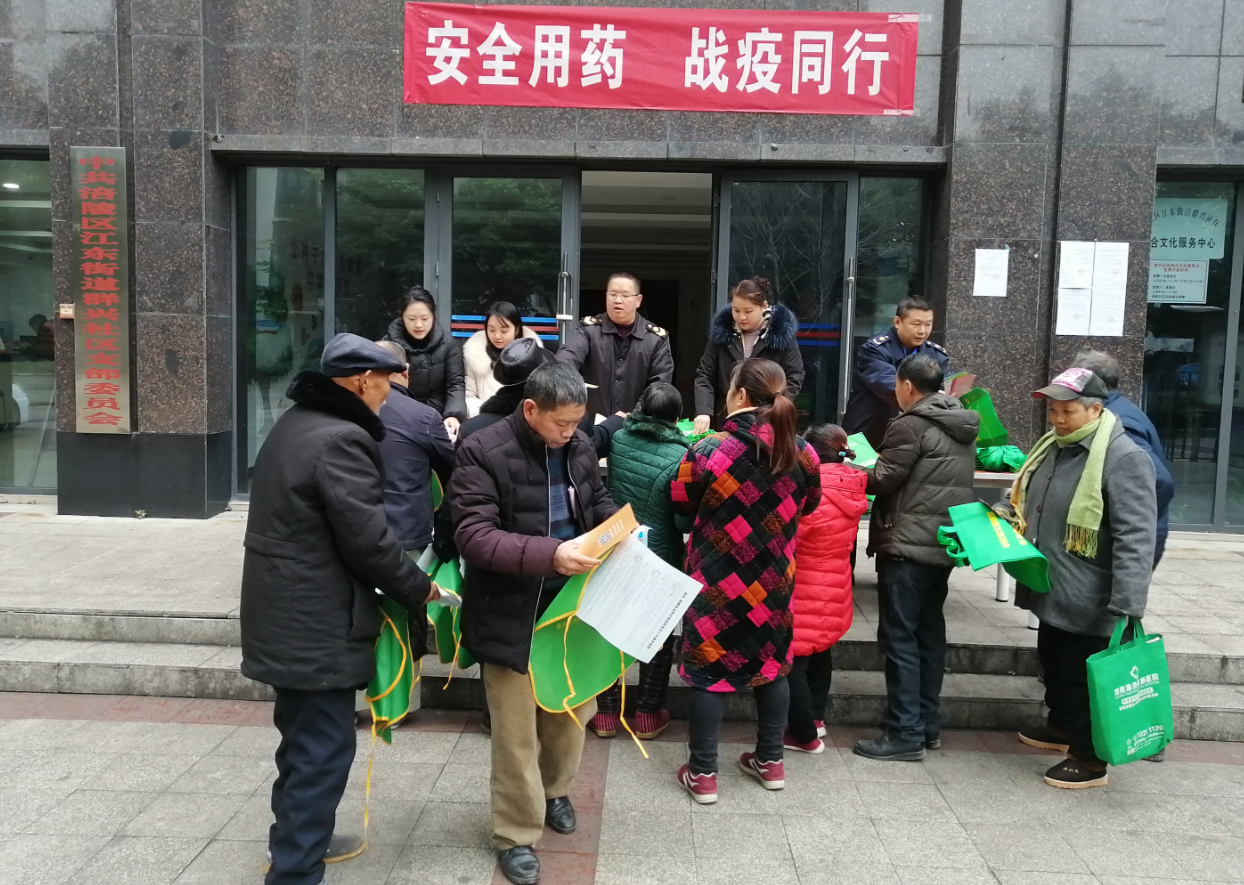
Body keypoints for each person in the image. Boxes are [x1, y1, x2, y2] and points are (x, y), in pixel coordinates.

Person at [240, 333, 449, 885]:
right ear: (362, 381)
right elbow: (369, 543)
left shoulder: (297, 422)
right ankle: (295, 871)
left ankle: (300, 840)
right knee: (322, 751)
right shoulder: (342, 439)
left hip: (284, 612)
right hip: (313, 621)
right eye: (385, 385)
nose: (388, 395)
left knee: (301, 744)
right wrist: (421, 589)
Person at [451, 361, 617, 885]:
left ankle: (554, 791)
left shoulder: (579, 445)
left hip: (571, 609)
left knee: (571, 713)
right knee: (516, 733)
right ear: (530, 409)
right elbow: (473, 535)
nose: (571, 432)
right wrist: (552, 555)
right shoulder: (483, 449)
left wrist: (618, 531)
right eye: (561, 423)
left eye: (577, 422)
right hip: (510, 610)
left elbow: (596, 500)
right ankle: (516, 833)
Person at [672, 358, 822, 805]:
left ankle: (703, 774)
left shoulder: (709, 450)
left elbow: (680, 499)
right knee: (771, 667)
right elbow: (810, 504)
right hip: (772, 585)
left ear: (738, 395)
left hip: (716, 584)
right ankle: (771, 762)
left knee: (710, 673)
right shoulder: (804, 454)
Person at [1010, 367, 1156, 789]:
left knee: (1082, 676)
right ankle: (1060, 726)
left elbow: (1136, 536)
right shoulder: (1055, 447)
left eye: (1067, 411)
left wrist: (1128, 603)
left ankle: (1089, 759)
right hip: (1053, 585)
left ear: (1095, 409)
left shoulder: (1124, 458)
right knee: (1054, 661)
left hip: (1091, 596)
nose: (1057, 419)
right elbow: (1030, 497)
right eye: (1053, 411)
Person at [854, 353, 978, 762]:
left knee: (899, 639)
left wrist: (854, 467)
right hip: (941, 543)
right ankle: (927, 724)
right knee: (928, 634)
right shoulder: (960, 421)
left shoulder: (910, 424)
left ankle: (904, 732)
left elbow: (883, 479)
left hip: (907, 545)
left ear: (906, 386)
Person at [589, 381, 690, 741]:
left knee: (608, 627)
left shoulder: (618, 440)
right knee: (656, 632)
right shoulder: (683, 455)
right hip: (660, 554)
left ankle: (605, 715)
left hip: (617, 546)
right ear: (676, 417)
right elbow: (683, 521)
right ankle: (647, 714)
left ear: (640, 408)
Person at [786, 423, 869, 754]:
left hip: (805, 585)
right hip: (836, 584)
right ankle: (816, 719)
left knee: (794, 662)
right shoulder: (853, 485)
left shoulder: (813, 491)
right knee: (821, 652)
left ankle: (804, 735)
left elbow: (790, 537)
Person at [1072, 348, 1174, 566]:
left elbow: (1160, 481)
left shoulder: (1118, 422)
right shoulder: (1117, 407)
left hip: (1126, 544)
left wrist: (1131, 523)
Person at [373, 340, 455, 556]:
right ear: (406, 371)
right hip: (406, 533)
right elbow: (452, 469)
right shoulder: (423, 416)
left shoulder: (343, 410)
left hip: (352, 532)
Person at [692, 277, 804, 433]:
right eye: (736, 310)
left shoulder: (782, 336)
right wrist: (704, 411)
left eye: (748, 311)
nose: (741, 317)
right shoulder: (721, 334)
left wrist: (773, 408)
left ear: (764, 306)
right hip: (725, 416)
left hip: (767, 420)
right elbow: (705, 374)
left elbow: (794, 376)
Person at [556, 272, 674, 418]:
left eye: (625, 295)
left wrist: (634, 417)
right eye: (612, 294)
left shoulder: (655, 339)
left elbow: (659, 385)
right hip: (591, 423)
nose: (618, 300)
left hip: (636, 425)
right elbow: (566, 360)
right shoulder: (588, 330)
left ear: (638, 300)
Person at [843, 297, 951, 450]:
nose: (922, 331)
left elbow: (947, 390)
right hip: (868, 431)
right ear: (897, 322)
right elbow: (891, 386)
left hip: (916, 436)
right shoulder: (874, 350)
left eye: (928, 324)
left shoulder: (937, 354)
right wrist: (934, 398)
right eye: (916, 324)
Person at [384, 286, 467, 437]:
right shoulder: (388, 345)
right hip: (401, 417)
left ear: (433, 316)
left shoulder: (448, 343)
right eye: (411, 319)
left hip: (438, 416)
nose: (418, 325)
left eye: (424, 318)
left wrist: (453, 415)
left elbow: (455, 383)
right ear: (401, 317)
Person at [463, 301, 544, 418]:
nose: (497, 336)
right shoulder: (474, 355)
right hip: (485, 419)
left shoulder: (532, 358)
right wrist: (487, 413)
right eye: (491, 330)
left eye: (504, 331)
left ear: (517, 329)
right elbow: (469, 396)